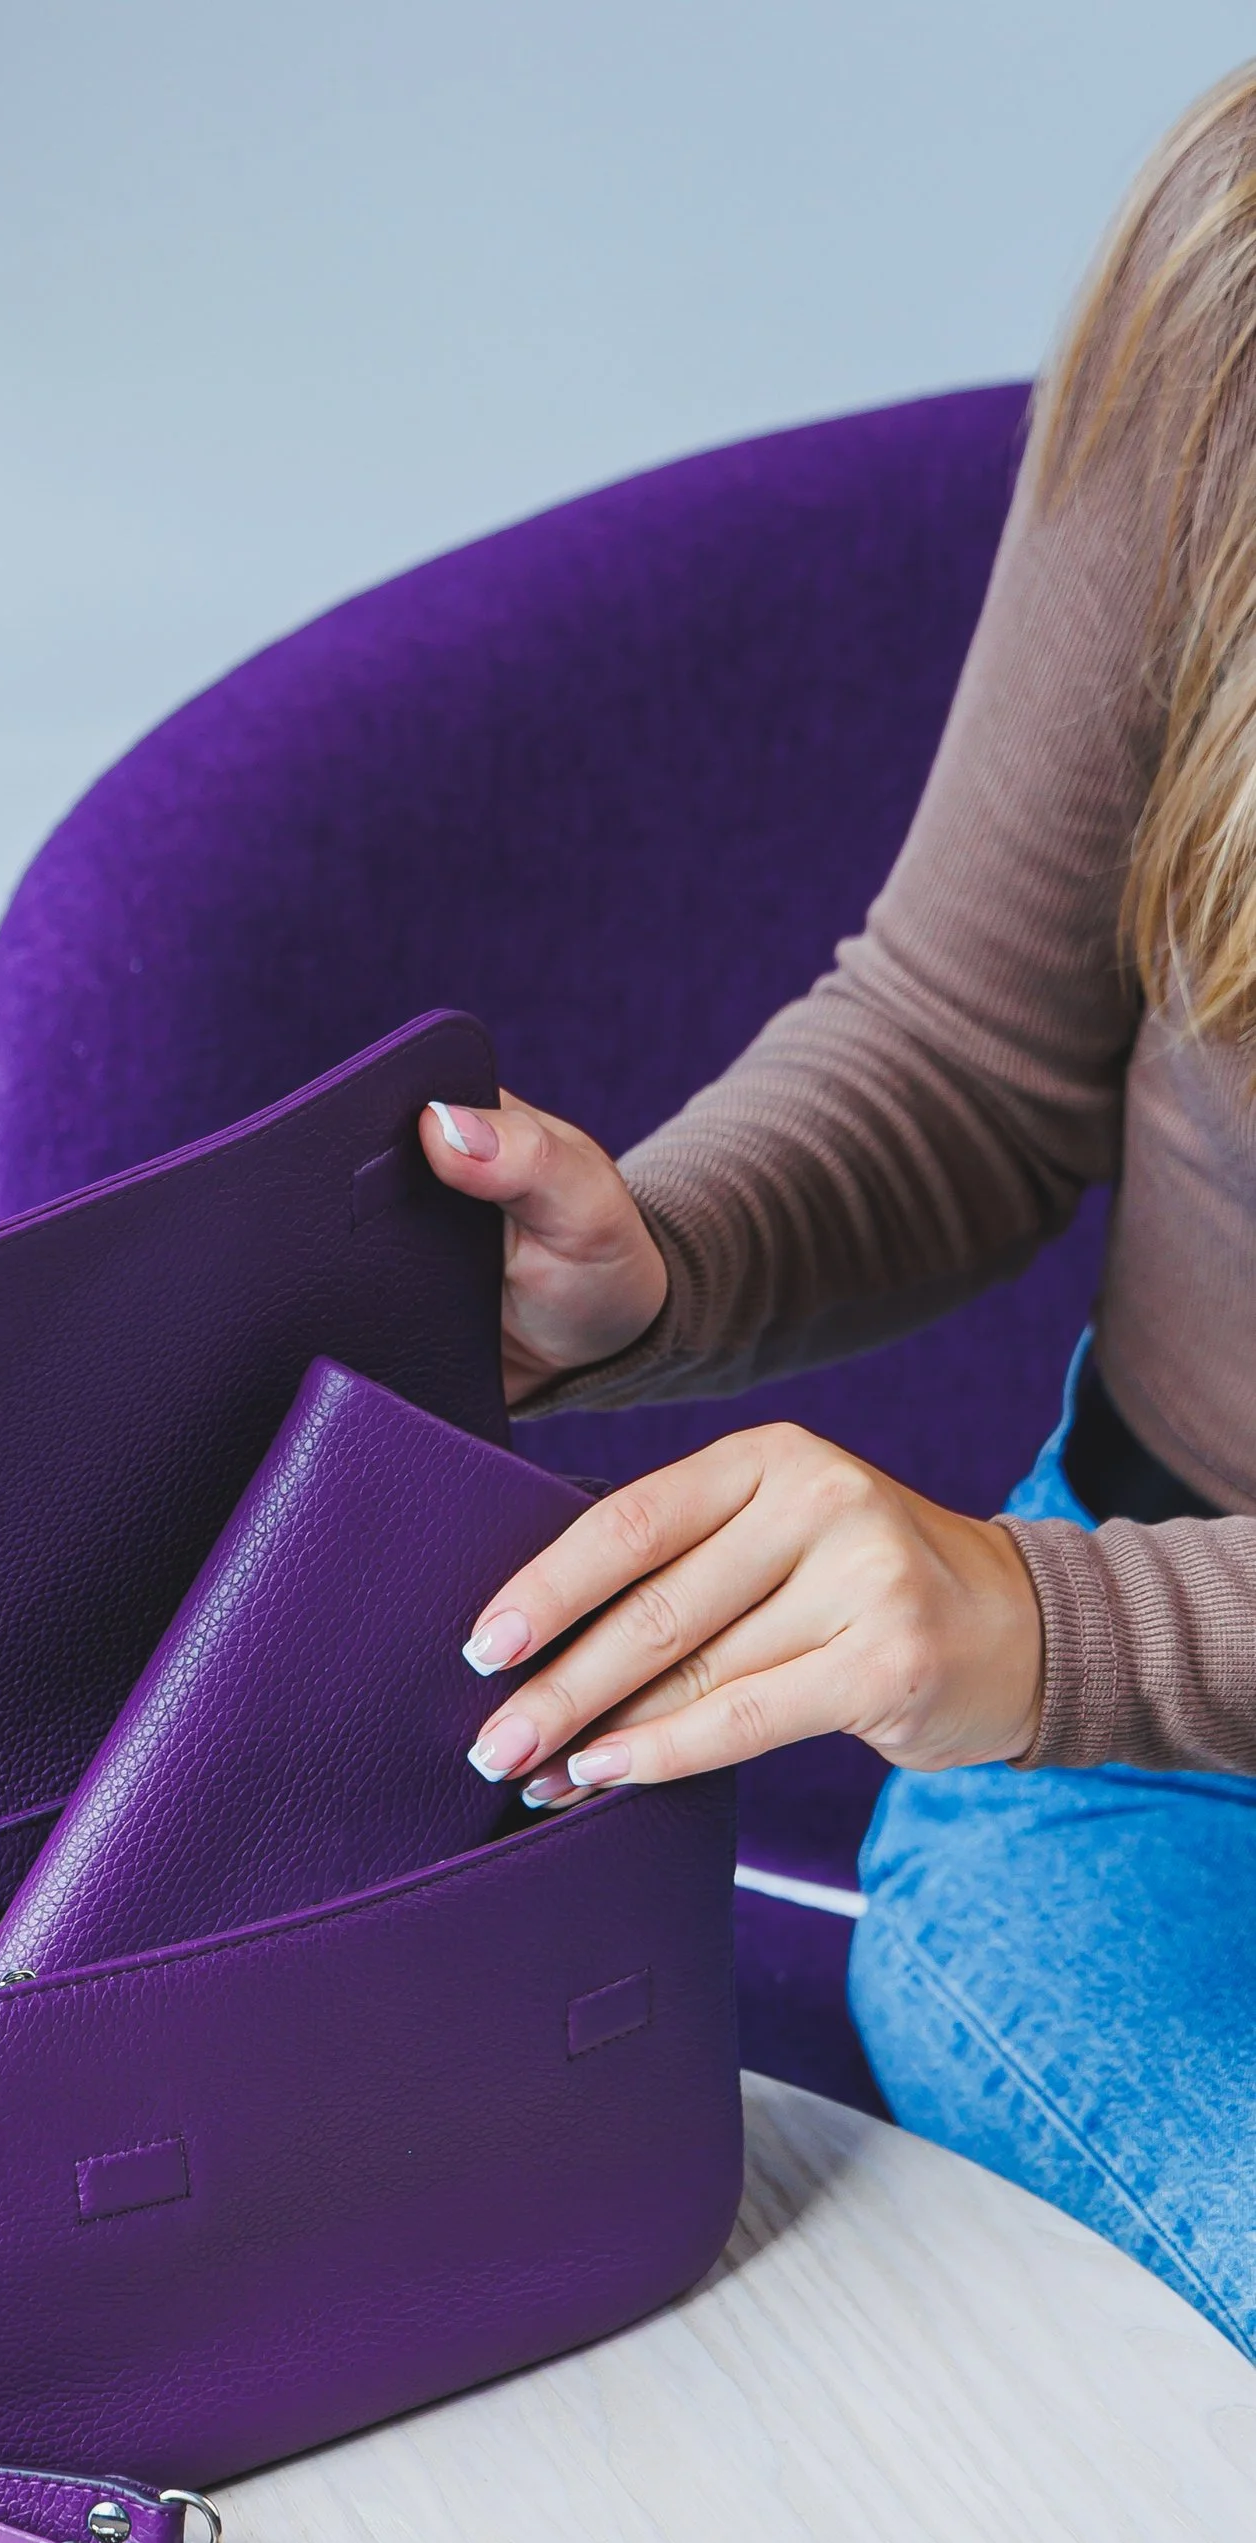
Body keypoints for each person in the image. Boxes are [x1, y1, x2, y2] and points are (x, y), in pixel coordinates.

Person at [415, 60, 1256, 2361]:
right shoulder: (1241, 258)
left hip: (1104, 1660)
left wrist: (1047, 1623)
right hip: (1171, 1816)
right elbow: (969, 1053)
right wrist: (654, 1256)